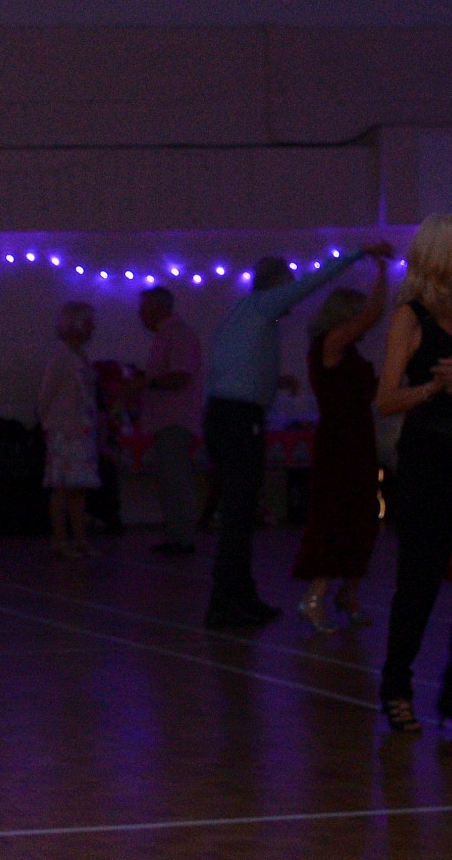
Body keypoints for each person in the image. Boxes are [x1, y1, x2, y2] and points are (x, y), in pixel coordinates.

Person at [202, 244, 389, 628]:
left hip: (231, 416)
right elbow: (314, 281)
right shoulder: (262, 306)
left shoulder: (247, 315)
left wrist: (273, 384)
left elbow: (229, 369)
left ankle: (240, 596)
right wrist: (359, 254)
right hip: (239, 419)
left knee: (242, 512)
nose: (292, 295)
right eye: (287, 286)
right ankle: (225, 603)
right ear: (277, 285)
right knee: (239, 513)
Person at [375, 216, 452, 733]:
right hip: (429, 461)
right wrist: (433, 388)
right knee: (419, 584)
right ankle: (396, 688)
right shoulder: (412, 315)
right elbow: (385, 400)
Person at [292, 275, 389, 632]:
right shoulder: (330, 342)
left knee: (363, 517)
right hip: (339, 443)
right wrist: (381, 271)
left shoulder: (349, 352)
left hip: (359, 439)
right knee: (336, 517)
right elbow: (373, 315)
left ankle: (349, 593)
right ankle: (314, 597)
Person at [137, 286, 204, 556]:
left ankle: (183, 538)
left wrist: (146, 383)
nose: (140, 315)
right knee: (168, 480)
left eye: (143, 309)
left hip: (175, 420)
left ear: (157, 309)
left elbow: (181, 377)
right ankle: (176, 535)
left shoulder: (177, 335)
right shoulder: (168, 336)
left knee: (176, 480)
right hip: (166, 421)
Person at [38, 302, 99, 558]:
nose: (93, 328)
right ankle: (60, 539)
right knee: (62, 488)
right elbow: (46, 395)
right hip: (64, 431)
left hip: (80, 430)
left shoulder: (79, 356)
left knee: (78, 488)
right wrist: (49, 425)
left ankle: (79, 538)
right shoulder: (62, 357)